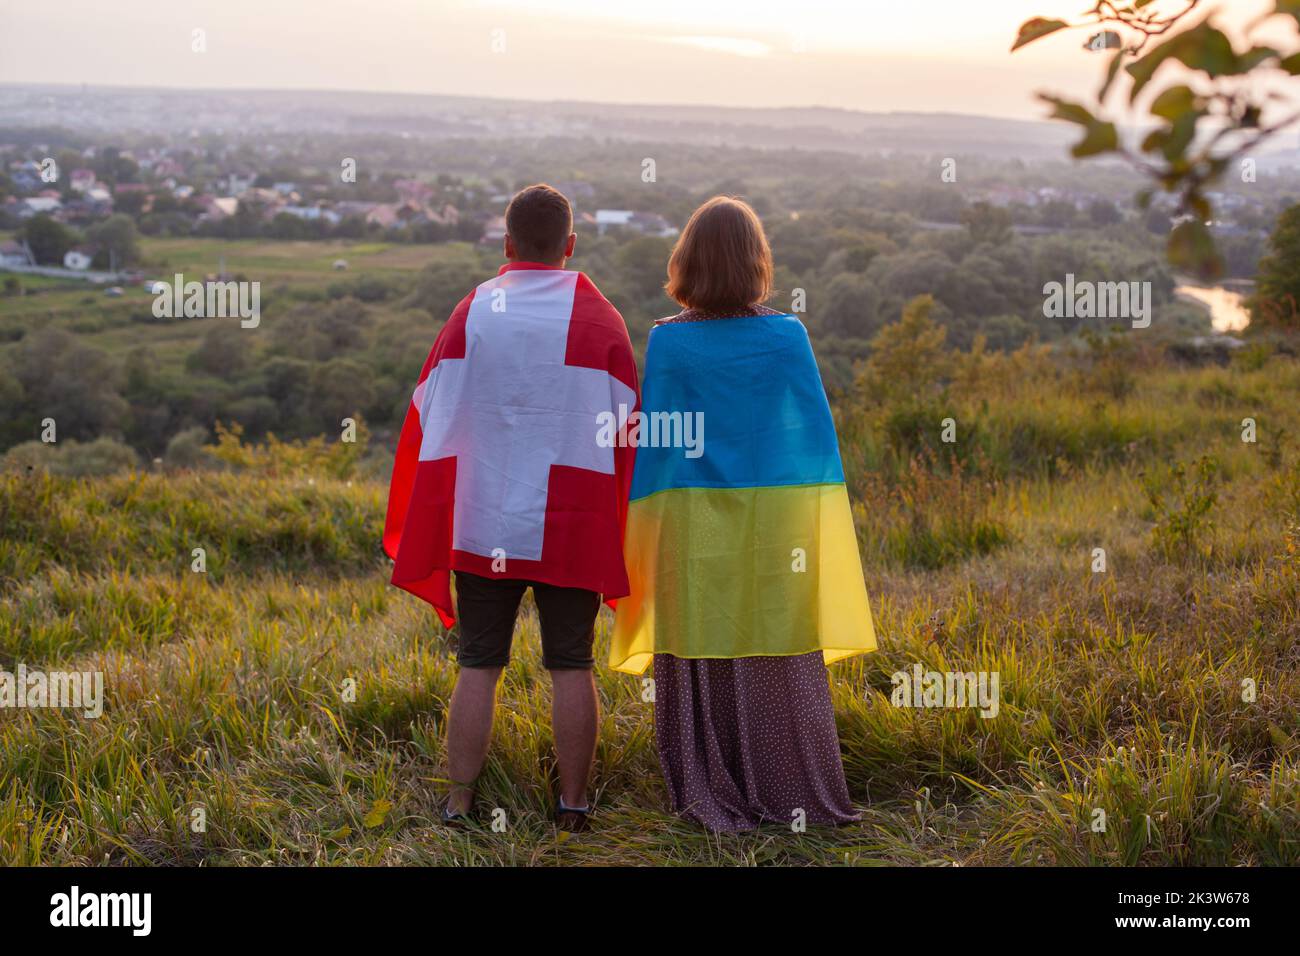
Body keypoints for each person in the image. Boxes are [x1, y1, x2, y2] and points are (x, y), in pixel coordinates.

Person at [611, 196, 876, 831]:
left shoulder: (670, 343)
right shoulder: (787, 335)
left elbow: (659, 448)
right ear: (757, 262)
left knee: (705, 640)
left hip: (692, 521)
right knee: (775, 639)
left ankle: (710, 780)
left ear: (688, 262)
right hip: (776, 523)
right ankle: (790, 784)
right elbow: (811, 439)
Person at [384, 184, 639, 833]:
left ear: (507, 244)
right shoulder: (599, 317)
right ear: (570, 246)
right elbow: (628, 429)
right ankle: (574, 806)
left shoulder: (473, 312)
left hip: (483, 521)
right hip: (570, 528)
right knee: (571, 664)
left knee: (478, 664)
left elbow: (430, 411)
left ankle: (459, 804)